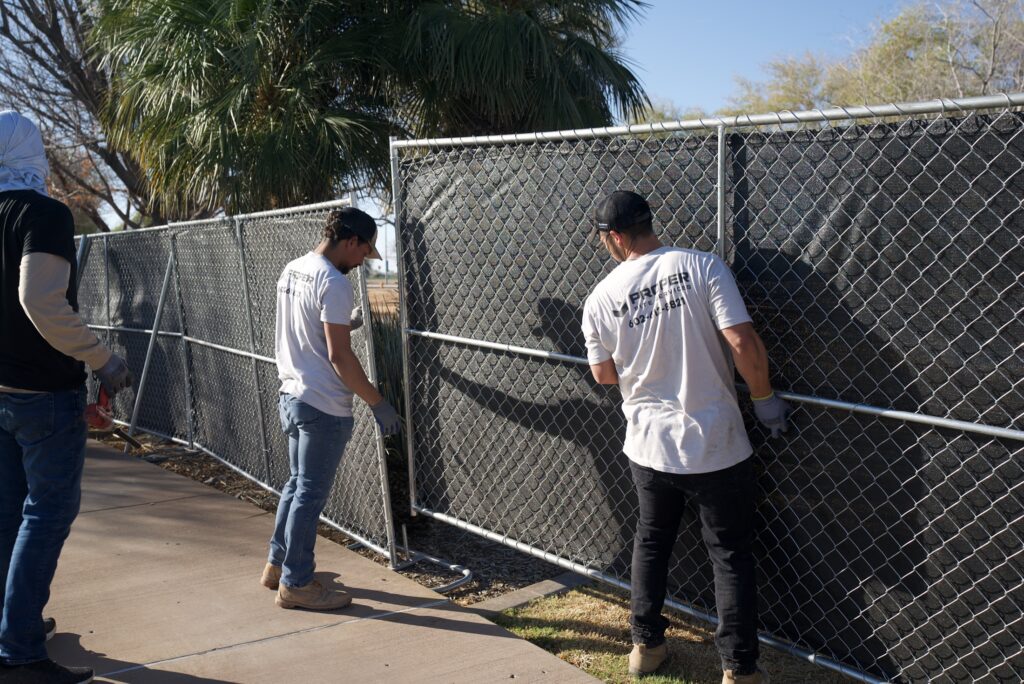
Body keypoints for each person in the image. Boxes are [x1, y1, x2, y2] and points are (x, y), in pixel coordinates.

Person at [581, 190, 791, 683]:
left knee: (652, 542)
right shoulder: (701, 265)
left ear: (616, 237)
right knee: (730, 553)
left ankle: (645, 646)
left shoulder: (601, 297)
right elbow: (741, 340)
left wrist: (644, 359)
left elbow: (603, 375)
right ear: (648, 223)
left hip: (649, 445)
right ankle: (739, 669)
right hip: (715, 440)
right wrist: (764, 399)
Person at [0, 111, 133, 683]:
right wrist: (102, 359)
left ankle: (13, 625)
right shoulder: (43, 214)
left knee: (8, 516)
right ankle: (20, 651)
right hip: (42, 393)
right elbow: (41, 301)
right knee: (47, 515)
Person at [262, 206, 401, 611]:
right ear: (351, 241)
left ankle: (277, 566)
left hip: (292, 395)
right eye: (364, 252)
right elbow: (340, 357)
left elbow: (308, 329)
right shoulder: (335, 282)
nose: (362, 262)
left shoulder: (294, 269)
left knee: (296, 486)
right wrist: (377, 402)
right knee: (309, 495)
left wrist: (345, 323)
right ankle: (297, 583)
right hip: (322, 405)